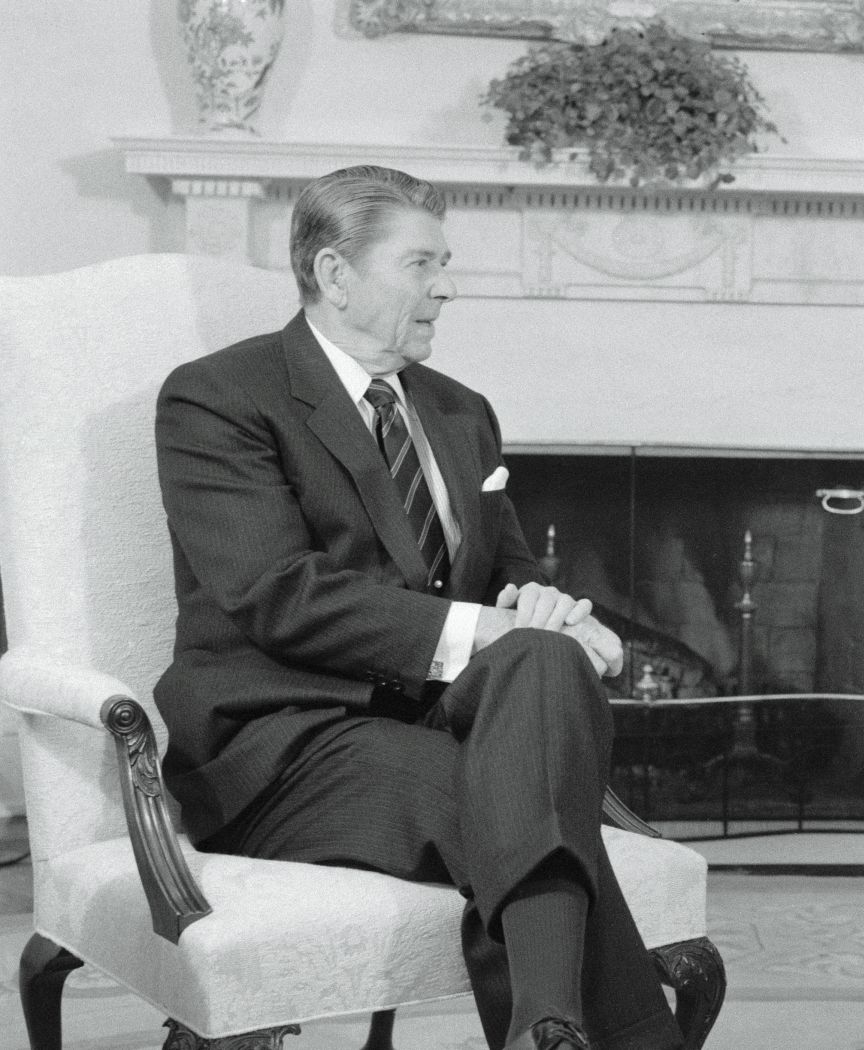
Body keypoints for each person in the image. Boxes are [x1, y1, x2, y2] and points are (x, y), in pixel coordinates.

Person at [153, 165, 682, 1050]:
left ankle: (545, 1026)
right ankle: (572, 1028)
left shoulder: (461, 412)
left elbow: (506, 579)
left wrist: (556, 616)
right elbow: (277, 595)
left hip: (437, 726)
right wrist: (496, 629)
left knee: (541, 668)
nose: (447, 286)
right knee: (527, 806)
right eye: (421, 263)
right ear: (334, 275)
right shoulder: (220, 397)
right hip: (287, 744)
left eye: (448, 263)